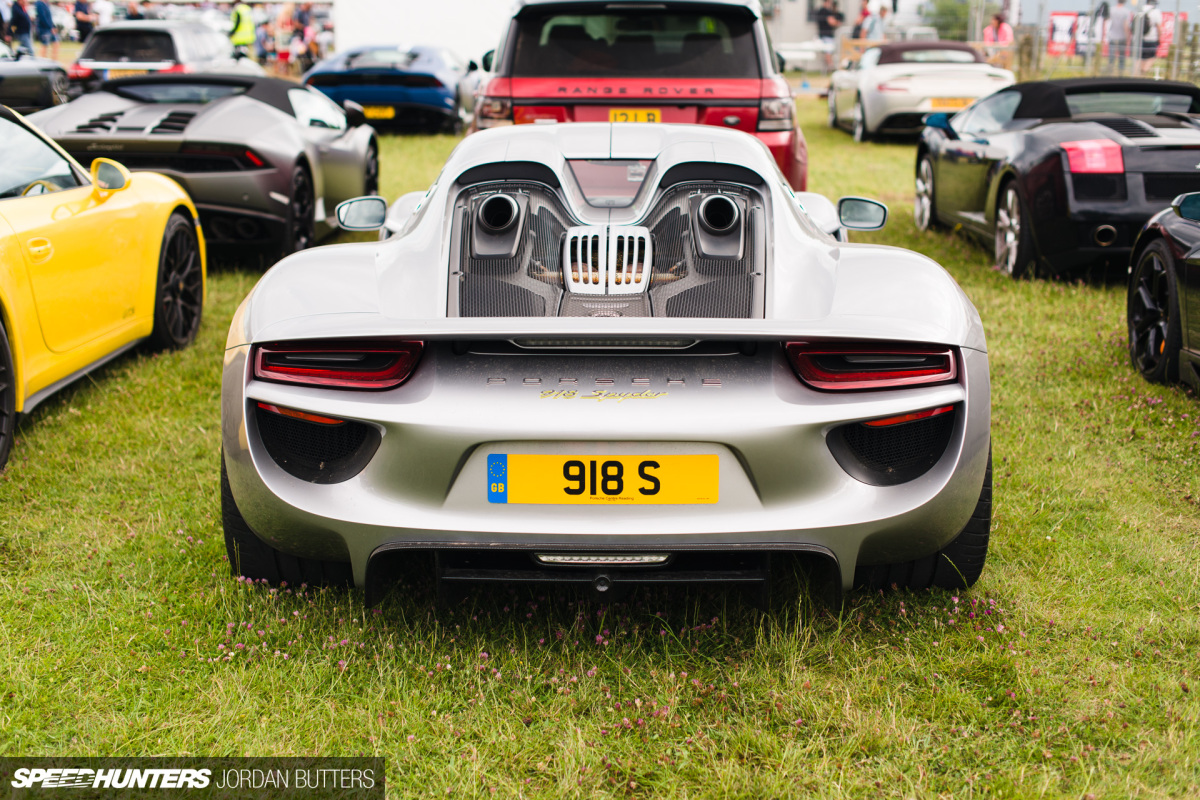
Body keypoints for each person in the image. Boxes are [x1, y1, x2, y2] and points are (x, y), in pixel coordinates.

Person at [816, 0, 843, 71]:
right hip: (826, 35)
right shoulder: (824, 11)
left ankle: (829, 68)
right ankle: (831, 67)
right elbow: (832, 22)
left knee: (828, 52)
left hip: (826, 35)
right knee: (828, 51)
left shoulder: (823, 11)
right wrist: (837, 22)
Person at [1107, 0, 1132, 73]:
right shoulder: (1126, 11)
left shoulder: (1111, 10)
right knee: (1121, 57)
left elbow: (1107, 21)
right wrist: (1128, 37)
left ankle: (1110, 71)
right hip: (1122, 36)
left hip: (1112, 35)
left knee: (1111, 57)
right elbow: (1126, 25)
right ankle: (1120, 73)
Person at [1138, 0, 1161, 73]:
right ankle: (1144, 71)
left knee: (1141, 57)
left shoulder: (1140, 9)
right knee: (1152, 57)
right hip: (1152, 38)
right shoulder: (1156, 11)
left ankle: (1140, 72)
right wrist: (1159, 38)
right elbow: (1159, 27)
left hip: (1140, 38)